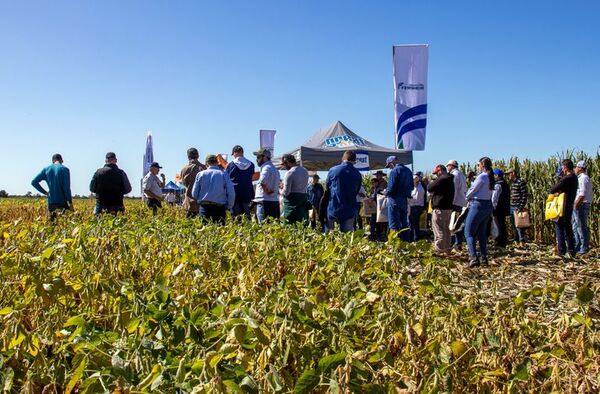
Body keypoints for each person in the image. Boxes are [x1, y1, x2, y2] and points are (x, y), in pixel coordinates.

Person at [464, 157, 495, 268]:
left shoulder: (482, 177)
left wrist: (466, 198)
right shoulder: (490, 177)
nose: (477, 167)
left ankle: (473, 258)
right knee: (481, 233)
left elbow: (472, 190)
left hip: (478, 205)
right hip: (487, 205)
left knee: (469, 232)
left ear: (482, 165)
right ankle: (483, 257)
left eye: (478, 165)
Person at [325, 150, 363, 232]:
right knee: (347, 238)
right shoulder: (357, 174)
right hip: (349, 209)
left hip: (334, 207)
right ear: (354, 160)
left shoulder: (333, 170)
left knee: (328, 238)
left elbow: (327, 188)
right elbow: (356, 191)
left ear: (343, 158)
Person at [191, 155, 235, 224]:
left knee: (204, 232)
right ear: (217, 162)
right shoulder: (223, 174)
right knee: (220, 233)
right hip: (219, 209)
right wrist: (229, 206)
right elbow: (231, 192)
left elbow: (194, 194)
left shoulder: (200, 174)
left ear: (207, 163)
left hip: (204, 208)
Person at [549, 159, 578, 257]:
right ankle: (571, 250)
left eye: (562, 167)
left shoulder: (566, 179)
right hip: (569, 206)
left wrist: (558, 191)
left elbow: (552, 189)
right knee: (568, 229)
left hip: (562, 207)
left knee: (559, 227)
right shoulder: (574, 178)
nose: (562, 169)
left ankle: (561, 251)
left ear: (565, 167)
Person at [31, 153, 73, 221]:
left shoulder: (46, 169)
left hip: (51, 201)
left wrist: (45, 193)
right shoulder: (65, 169)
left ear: (53, 161)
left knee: (53, 225)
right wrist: (70, 203)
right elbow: (66, 188)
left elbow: (34, 182)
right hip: (62, 202)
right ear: (62, 161)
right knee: (64, 224)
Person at [427, 165, 455, 253]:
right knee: (446, 230)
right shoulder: (450, 179)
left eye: (437, 173)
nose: (436, 175)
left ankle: (440, 250)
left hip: (440, 208)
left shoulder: (442, 178)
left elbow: (429, 187)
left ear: (440, 171)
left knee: (439, 230)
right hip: (448, 208)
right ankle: (447, 249)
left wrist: (434, 181)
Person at [384, 155, 413, 241]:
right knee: (404, 223)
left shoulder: (394, 171)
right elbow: (411, 186)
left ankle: (394, 245)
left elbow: (391, 187)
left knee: (394, 224)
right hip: (404, 200)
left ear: (391, 162)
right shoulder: (408, 170)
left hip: (394, 200)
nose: (389, 168)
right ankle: (406, 243)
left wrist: (386, 192)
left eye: (389, 165)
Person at [226, 145, 255, 219]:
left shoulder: (231, 165)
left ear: (235, 153)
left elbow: (227, 180)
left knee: (236, 218)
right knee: (247, 218)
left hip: (235, 195)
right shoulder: (251, 165)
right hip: (247, 194)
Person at [253, 148, 280, 222]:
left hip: (264, 201)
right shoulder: (275, 169)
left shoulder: (266, 167)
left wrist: (266, 190)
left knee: (263, 227)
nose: (257, 160)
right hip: (274, 201)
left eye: (258, 157)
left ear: (264, 157)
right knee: (272, 227)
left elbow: (262, 181)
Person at [281, 154, 309, 225]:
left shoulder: (290, 173)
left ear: (287, 162)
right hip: (302, 203)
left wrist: (281, 189)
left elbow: (286, 192)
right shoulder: (305, 171)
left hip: (292, 206)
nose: (284, 166)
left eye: (284, 164)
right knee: (302, 226)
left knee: (289, 226)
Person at [573, 161, 593, 255]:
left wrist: (576, 205)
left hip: (581, 205)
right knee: (576, 226)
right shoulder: (581, 178)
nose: (575, 169)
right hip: (580, 204)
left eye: (576, 167)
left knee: (581, 227)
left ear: (580, 168)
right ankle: (578, 246)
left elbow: (582, 194)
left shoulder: (583, 178)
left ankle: (583, 248)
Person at [180, 147, 206, 218]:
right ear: (198, 156)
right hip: (203, 202)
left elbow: (184, 184)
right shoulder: (204, 168)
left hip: (189, 202)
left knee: (188, 226)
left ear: (188, 157)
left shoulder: (184, 169)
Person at [446, 160, 467, 249]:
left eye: (448, 166)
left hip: (455, 202)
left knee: (453, 224)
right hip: (461, 201)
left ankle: (454, 242)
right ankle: (458, 243)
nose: (447, 168)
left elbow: (453, 190)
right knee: (458, 223)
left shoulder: (454, 175)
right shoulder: (461, 174)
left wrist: (450, 202)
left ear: (451, 166)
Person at [507, 168, 528, 244]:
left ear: (513, 173)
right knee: (514, 224)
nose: (508, 176)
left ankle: (521, 240)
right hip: (512, 206)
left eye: (509, 174)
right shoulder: (513, 183)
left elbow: (524, 195)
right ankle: (516, 240)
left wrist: (520, 207)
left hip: (517, 206)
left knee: (519, 225)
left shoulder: (520, 182)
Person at [491, 169, 510, 248]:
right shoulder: (505, 184)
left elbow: (494, 198)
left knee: (498, 225)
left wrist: (492, 207)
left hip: (498, 208)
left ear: (497, 176)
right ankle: (503, 241)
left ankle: (500, 242)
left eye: (494, 175)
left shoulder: (498, 185)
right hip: (504, 208)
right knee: (502, 224)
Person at [407, 175, 425, 242]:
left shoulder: (419, 189)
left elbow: (415, 199)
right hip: (413, 207)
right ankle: (413, 238)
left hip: (416, 207)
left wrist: (408, 197)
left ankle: (415, 238)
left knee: (414, 224)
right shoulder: (416, 187)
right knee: (412, 223)